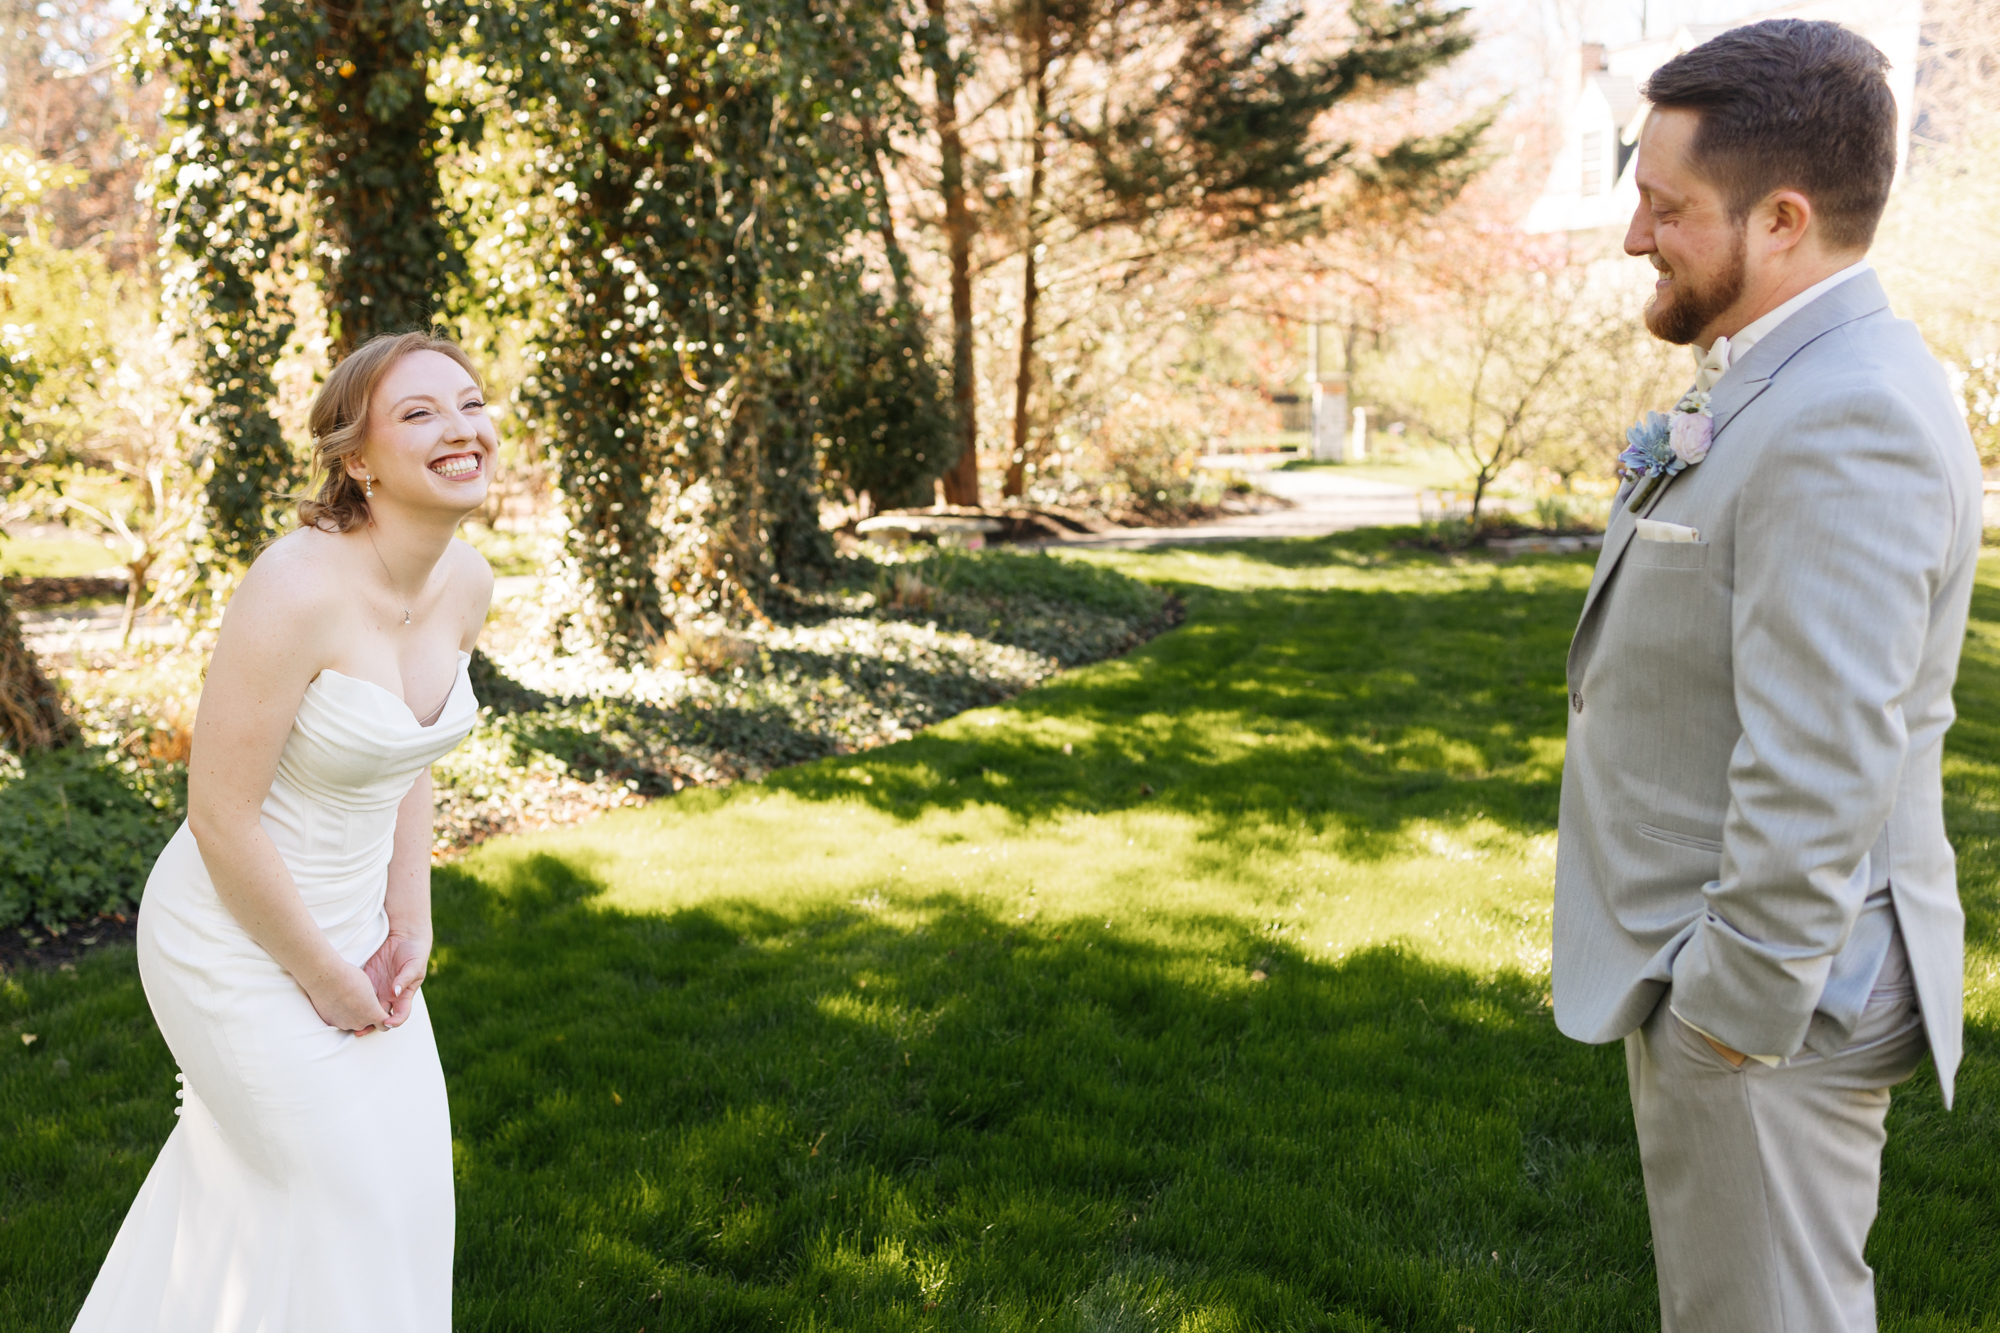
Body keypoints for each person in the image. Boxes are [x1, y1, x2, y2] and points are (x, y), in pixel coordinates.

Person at [1553, 20, 1980, 1333]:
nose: (1636, 236)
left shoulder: (1848, 414)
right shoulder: (1785, 379)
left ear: (1783, 219)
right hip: (1729, 969)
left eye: (1663, 206)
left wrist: (1730, 1011)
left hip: (1772, 997)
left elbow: (1825, 763)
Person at [72, 332, 497, 1332]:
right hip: (233, 932)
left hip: (360, 929)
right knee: (346, 1204)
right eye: (419, 413)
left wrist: (409, 917)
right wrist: (320, 969)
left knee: (402, 1200)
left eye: (471, 404)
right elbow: (218, 816)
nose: (461, 429)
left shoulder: (466, 580)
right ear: (355, 458)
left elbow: (408, 751)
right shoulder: (294, 587)